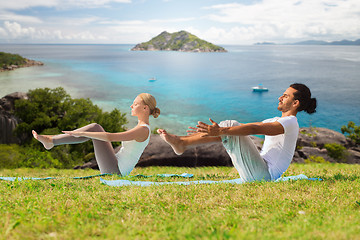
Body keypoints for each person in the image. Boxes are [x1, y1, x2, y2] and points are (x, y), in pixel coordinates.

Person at [157, 83, 317, 182]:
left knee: (230, 126)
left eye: (285, 96)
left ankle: (182, 143)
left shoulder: (290, 123)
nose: (280, 97)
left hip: (263, 176)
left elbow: (255, 129)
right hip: (258, 171)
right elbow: (248, 126)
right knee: (232, 128)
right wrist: (218, 132)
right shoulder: (276, 120)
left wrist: (221, 130)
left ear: (295, 103)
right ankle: (182, 141)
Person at [32, 93, 160, 176]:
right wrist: (85, 134)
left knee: (95, 128)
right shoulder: (141, 127)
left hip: (116, 171)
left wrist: (82, 133)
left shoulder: (143, 130)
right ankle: (51, 141)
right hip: (115, 164)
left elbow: (110, 137)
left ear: (145, 108)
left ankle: (51, 141)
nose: (131, 106)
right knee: (95, 128)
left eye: (136, 104)